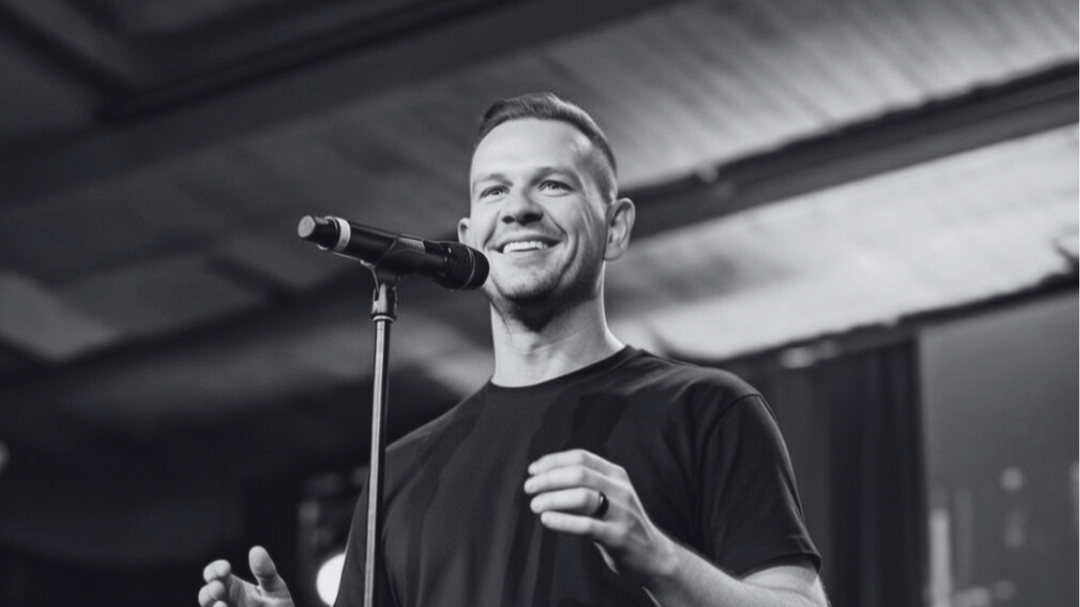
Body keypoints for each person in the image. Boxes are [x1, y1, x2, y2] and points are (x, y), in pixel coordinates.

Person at [199, 93, 828, 607]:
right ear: (471, 238)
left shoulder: (708, 410)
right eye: (494, 191)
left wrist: (660, 560)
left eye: (552, 185)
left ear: (616, 228)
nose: (519, 209)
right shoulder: (400, 472)